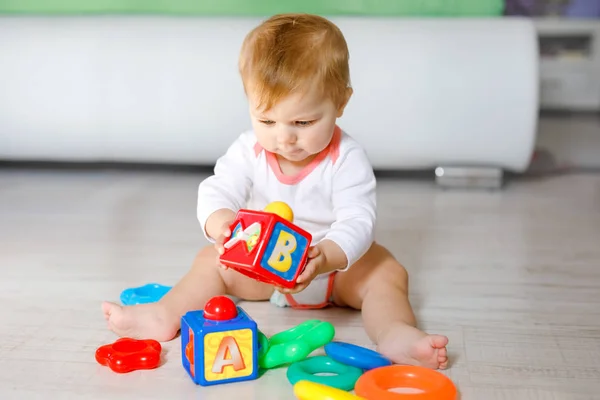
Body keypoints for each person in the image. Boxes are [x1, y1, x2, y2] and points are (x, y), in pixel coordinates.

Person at [102, 13, 448, 369]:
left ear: (341, 103)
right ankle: (165, 315)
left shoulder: (347, 157)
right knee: (209, 262)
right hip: (261, 269)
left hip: (330, 271)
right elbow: (217, 189)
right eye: (267, 120)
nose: (284, 137)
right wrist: (220, 223)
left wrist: (326, 256)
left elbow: (359, 218)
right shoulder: (249, 149)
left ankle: (394, 333)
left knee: (388, 273)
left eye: (303, 122)